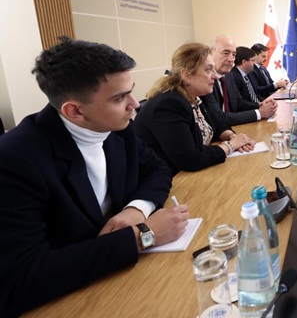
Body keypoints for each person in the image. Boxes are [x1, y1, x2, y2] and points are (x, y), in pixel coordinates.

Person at [0, 38, 189, 317]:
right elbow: (20, 279)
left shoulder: (117, 128)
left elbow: (157, 168)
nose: (135, 105)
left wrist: (137, 209)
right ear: (75, 111)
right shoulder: (14, 159)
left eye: (131, 92)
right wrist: (142, 236)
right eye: (119, 98)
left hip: (124, 282)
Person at [134, 43, 255, 175]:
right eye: (208, 70)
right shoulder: (169, 104)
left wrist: (233, 137)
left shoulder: (196, 95)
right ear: (186, 75)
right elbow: (190, 159)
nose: (214, 76)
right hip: (172, 179)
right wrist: (231, 146)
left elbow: (217, 126)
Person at [202, 35, 277, 126]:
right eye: (225, 53)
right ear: (210, 53)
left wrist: (260, 105)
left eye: (234, 55)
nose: (231, 59)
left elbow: (238, 101)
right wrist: (259, 113)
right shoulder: (205, 80)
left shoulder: (229, 75)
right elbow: (219, 118)